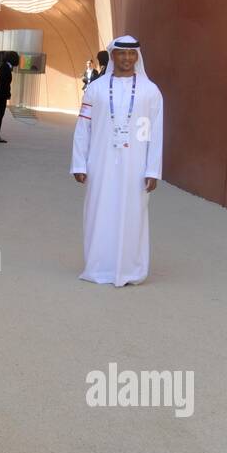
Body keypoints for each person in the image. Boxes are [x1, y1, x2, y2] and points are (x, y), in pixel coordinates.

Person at [70, 35, 163, 286]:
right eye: (121, 53)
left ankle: (130, 269)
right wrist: (79, 162)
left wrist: (152, 169)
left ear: (137, 57)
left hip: (136, 164)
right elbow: (83, 128)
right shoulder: (95, 89)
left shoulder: (150, 91)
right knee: (99, 211)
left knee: (132, 213)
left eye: (132, 54)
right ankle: (98, 267)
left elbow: (154, 133)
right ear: (113, 56)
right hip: (100, 162)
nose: (127, 58)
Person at [0, 53, 14, 142]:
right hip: (1, 94)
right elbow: (4, 83)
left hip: (0, 93)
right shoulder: (5, 67)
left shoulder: (6, 66)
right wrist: (7, 94)